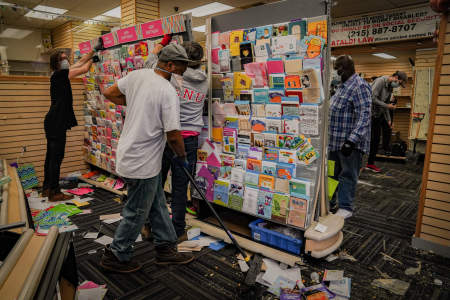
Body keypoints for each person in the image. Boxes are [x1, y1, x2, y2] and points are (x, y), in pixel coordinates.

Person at [99, 44, 195, 273]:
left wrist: (135, 104)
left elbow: (109, 92)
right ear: (170, 65)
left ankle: (165, 248)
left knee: (158, 205)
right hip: (141, 162)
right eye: (182, 65)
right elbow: (173, 135)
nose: (185, 70)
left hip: (132, 155)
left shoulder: (137, 75)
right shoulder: (167, 91)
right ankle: (116, 254)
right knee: (136, 212)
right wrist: (182, 157)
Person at [144, 36, 207, 240]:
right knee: (181, 188)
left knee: (156, 183)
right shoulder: (205, 80)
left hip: (168, 137)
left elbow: (149, 61)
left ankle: (149, 226)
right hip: (190, 139)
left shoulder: (172, 75)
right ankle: (178, 231)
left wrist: (164, 41)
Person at [43, 42, 102, 202]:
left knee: (51, 156)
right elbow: (83, 68)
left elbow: (79, 62)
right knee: (56, 157)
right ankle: (54, 192)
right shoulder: (60, 75)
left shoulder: (59, 74)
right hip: (56, 123)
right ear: (56, 63)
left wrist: (93, 50)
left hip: (53, 121)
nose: (66, 60)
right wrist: (94, 59)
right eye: (62, 59)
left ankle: (47, 187)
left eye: (65, 58)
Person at [329, 55, 372, 219]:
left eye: (335, 69)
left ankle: (345, 207)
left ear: (342, 69)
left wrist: (352, 140)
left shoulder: (360, 86)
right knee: (331, 174)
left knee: (347, 174)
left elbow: (364, 116)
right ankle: (329, 202)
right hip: (334, 141)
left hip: (349, 145)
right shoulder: (342, 86)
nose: (334, 73)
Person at [366, 71, 407, 172]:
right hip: (369, 114)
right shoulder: (380, 81)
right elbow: (371, 98)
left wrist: (389, 120)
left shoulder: (390, 87)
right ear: (396, 77)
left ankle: (370, 164)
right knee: (370, 140)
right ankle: (363, 162)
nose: (398, 86)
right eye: (399, 83)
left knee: (375, 140)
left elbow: (385, 105)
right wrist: (387, 106)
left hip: (378, 115)